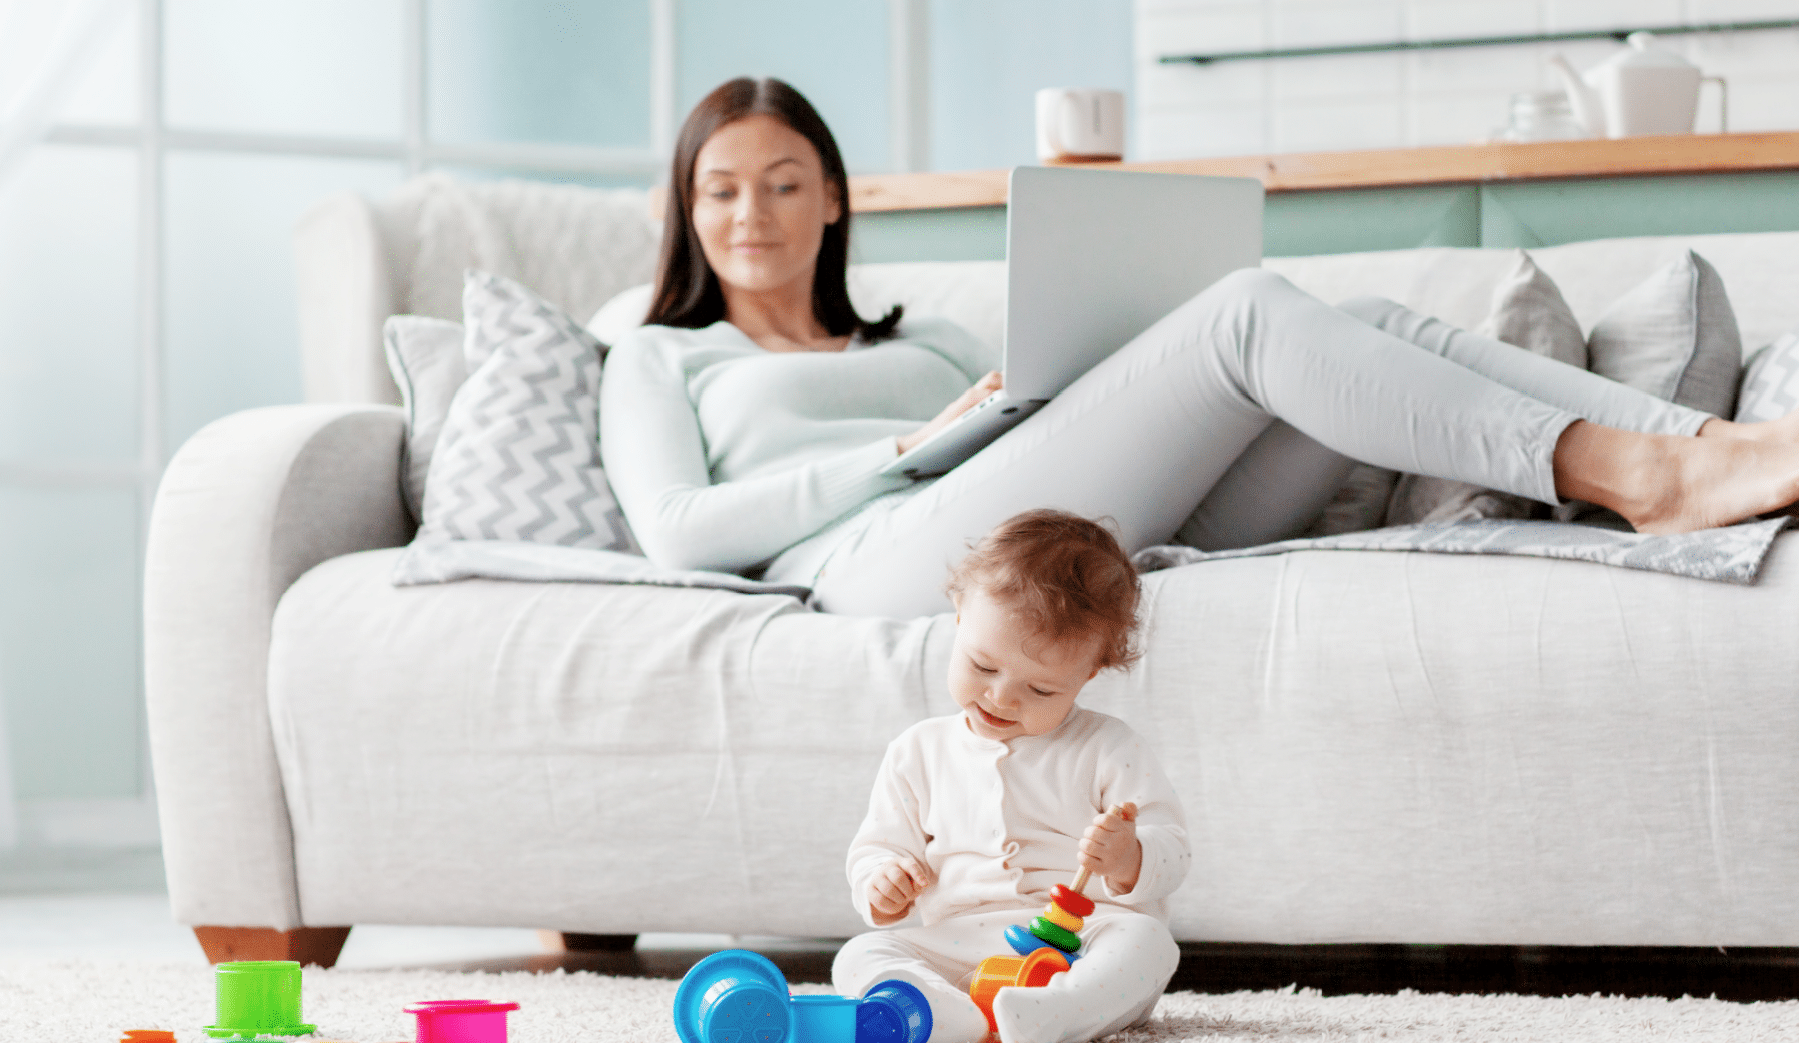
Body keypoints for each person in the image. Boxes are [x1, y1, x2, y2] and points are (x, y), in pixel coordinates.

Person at [598, 77, 1799, 618]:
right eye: (719, 190)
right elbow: (677, 532)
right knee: (1245, 312)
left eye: (782, 182)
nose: (750, 214)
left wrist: (1021, 404)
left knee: (1366, 327)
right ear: (686, 212)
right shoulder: (660, 355)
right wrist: (915, 447)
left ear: (833, 201)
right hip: (879, 565)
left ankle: (1698, 448)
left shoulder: (942, 339)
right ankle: (1643, 476)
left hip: (1060, 515)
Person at [832, 509, 1188, 1043]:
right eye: (982, 665)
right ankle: (940, 1012)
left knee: (1148, 943)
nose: (1001, 698)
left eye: (1042, 691)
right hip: (962, 943)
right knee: (859, 954)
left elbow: (1173, 851)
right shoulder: (917, 753)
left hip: (1081, 944)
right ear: (958, 617)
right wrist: (883, 883)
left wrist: (1128, 858)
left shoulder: (1109, 748)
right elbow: (878, 847)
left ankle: (1057, 1011)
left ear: (1088, 672)